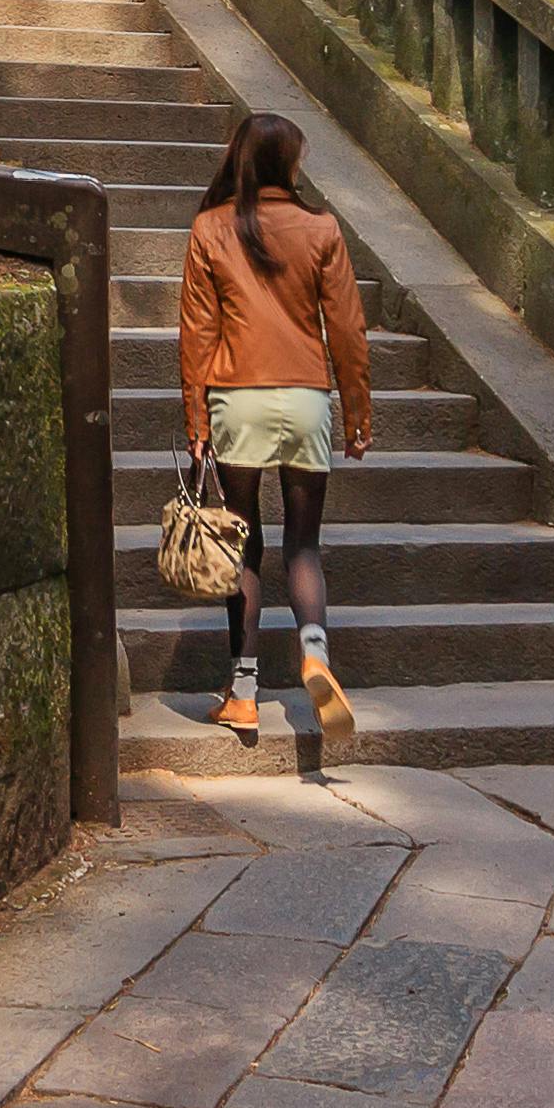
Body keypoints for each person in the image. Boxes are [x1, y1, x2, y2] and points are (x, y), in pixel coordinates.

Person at [178, 112, 372, 742]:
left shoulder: (211, 228)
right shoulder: (321, 229)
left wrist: (196, 417)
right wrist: (358, 413)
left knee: (244, 546)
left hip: (238, 397)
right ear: (289, 165)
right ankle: (316, 653)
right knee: (304, 545)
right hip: (309, 398)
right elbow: (346, 330)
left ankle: (242, 693)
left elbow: (197, 333)